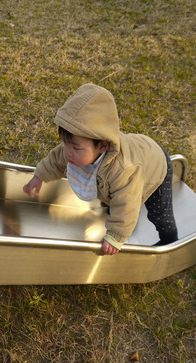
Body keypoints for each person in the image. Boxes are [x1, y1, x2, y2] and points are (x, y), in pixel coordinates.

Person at [23, 83, 178, 255]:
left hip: (156, 168)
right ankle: (113, 212)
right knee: (110, 198)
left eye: (75, 148)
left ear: (103, 146)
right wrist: (39, 176)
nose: (68, 152)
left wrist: (115, 236)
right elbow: (54, 160)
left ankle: (169, 239)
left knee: (158, 213)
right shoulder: (73, 150)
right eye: (66, 143)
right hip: (138, 152)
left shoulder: (123, 170)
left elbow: (127, 204)